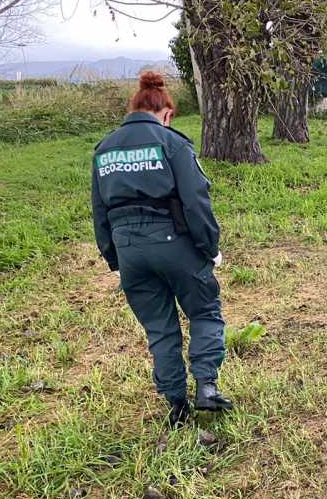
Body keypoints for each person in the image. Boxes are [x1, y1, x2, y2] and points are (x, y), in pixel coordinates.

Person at [91, 71, 233, 427]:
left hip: (128, 251)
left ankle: (176, 405)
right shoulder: (172, 143)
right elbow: (195, 200)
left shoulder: (104, 149)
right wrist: (209, 247)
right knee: (203, 311)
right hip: (174, 244)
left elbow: (99, 211)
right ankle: (206, 386)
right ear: (166, 113)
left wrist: (115, 260)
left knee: (160, 329)